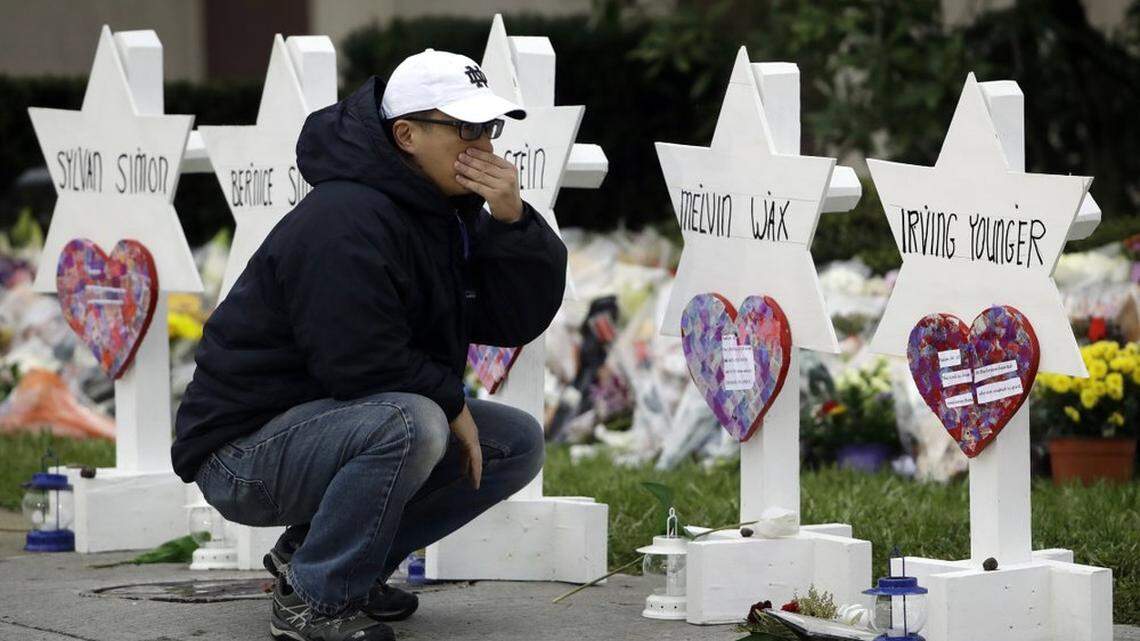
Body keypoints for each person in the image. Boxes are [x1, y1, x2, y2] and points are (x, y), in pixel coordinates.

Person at [171, 49, 567, 641]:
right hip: (242, 455)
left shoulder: (441, 211)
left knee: (513, 443)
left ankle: (326, 562)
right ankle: (312, 600)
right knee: (414, 423)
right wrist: (451, 403)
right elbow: (356, 360)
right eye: (464, 128)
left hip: (327, 423)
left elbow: (509, 319)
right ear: (406, 134)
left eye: (489, 127)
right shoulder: (346, 215)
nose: (483, 144)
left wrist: (513, 224)